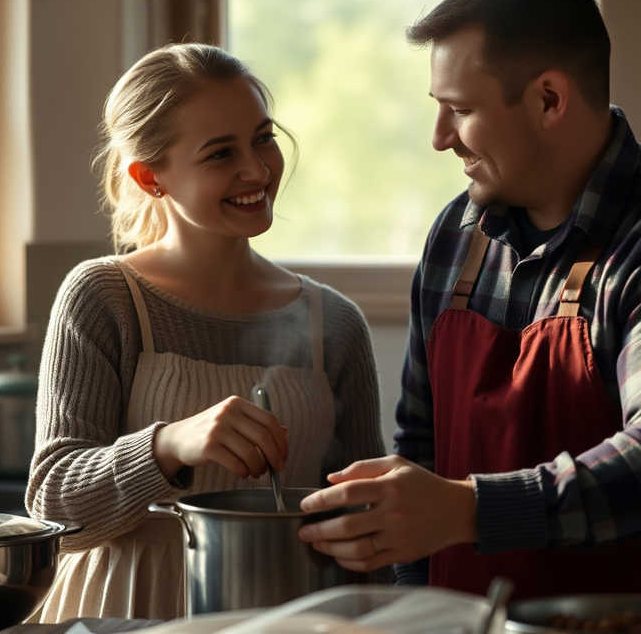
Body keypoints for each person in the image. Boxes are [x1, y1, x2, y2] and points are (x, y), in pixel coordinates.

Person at [297, 0, 641, 605]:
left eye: (460, 110)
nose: (438, 139)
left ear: (550, 99)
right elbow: (422, 448)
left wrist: (469, 511)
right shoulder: (454, 238)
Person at [25, 43, 384, 621]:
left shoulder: (335, 322)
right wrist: (169, 445)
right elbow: (54, 509)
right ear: (150, 177)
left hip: (289, 615)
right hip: (126, 613)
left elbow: (367, 523)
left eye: (263, 138)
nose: (257, 169)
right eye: (221, 154)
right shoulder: (103, 297)